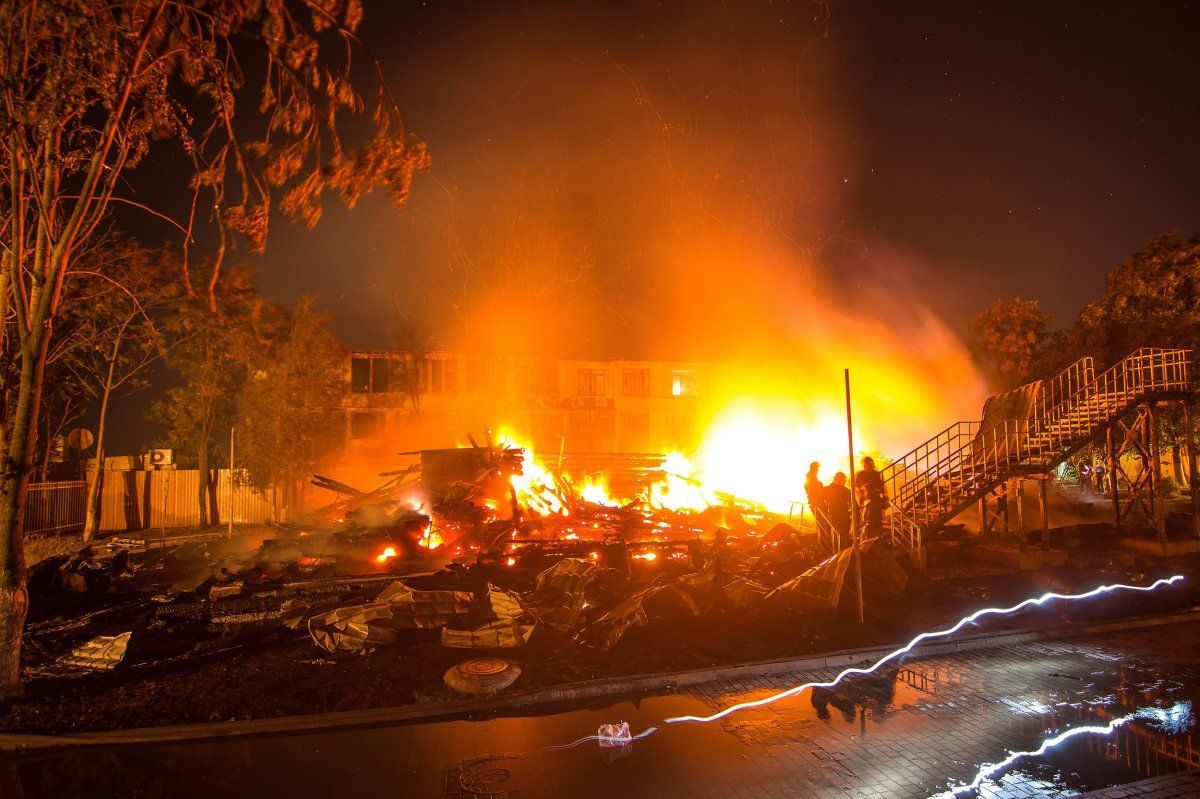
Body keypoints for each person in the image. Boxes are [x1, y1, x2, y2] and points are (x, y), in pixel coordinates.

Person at [854, 456, 886, 537]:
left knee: (877, 520)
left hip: (876, 500)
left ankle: (877, 537)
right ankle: (868, 537)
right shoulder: (861, 474)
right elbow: (861, 486)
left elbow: (880, 486)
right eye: (868, 464)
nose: (870, 465)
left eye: (871, 463)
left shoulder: (876, 473)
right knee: (868, 521)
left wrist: (882, 496)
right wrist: (868, 488)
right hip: (868, 500)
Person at [824, 471, 852, 549]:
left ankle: (835, 551)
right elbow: (853, 505)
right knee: (844, 537)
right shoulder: (846, 491)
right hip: (843, 516)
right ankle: (844, 552)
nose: (845, 482)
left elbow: (819, 500)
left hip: (832, 515)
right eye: (844, 480)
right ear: (839, 480)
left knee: (834, 536)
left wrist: (826, 510)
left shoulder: (826, 490)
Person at [804, 461, 828, 536]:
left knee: (822, 523)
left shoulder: (812, 478)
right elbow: (812, 492)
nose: (818, 470)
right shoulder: (811, 479)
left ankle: (823, 538)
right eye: (817, 468)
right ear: (813, 468)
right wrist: (815, 500)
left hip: (817, 503)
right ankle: (824, 540)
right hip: (817, 504)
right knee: (822, 523)